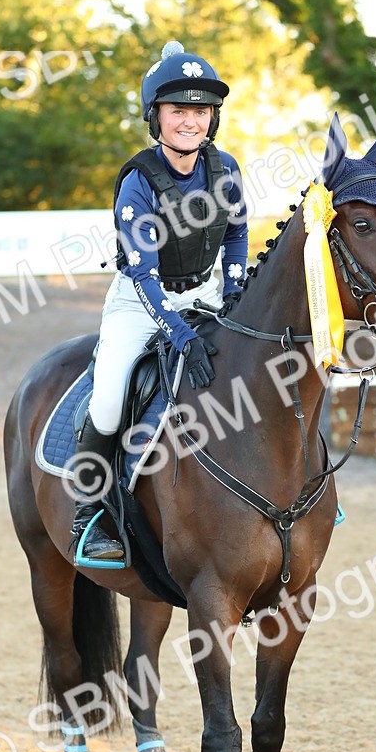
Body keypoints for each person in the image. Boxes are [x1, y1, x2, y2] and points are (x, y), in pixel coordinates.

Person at [70, 41, 249, 562]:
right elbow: (145, 278)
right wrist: (182, 334)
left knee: (259, 362)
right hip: (140, 300)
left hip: (206, 291)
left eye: (201, 110)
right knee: (108, 400)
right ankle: (89, 515)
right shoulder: (137, 182)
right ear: (156, 116)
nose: (191, 120)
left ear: (213, 118)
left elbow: (236, 234)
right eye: (178, 110)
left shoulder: (226, 168)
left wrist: (234, 292)